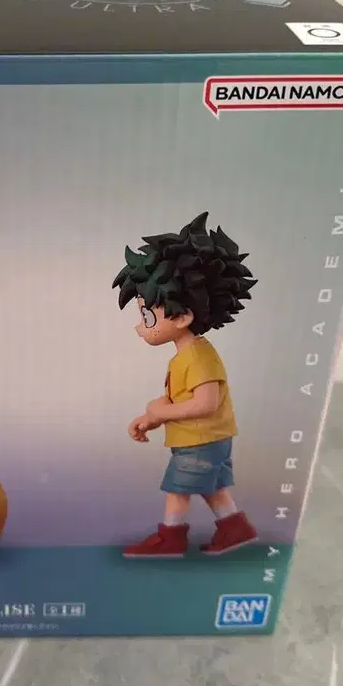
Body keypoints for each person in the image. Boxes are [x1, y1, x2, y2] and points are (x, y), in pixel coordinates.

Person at [113, 212, 259, 558]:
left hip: (200, 439)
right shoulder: (188, 356)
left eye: (147, 316)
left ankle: (171, 537)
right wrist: (151, 417)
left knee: (178, 489)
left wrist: (161, 414)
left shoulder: (198, 357)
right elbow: (180, 398)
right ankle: (235, 528)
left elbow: (205, 404)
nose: (140, 326)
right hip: (205, 439)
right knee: (212, 486)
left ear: (181, 317)